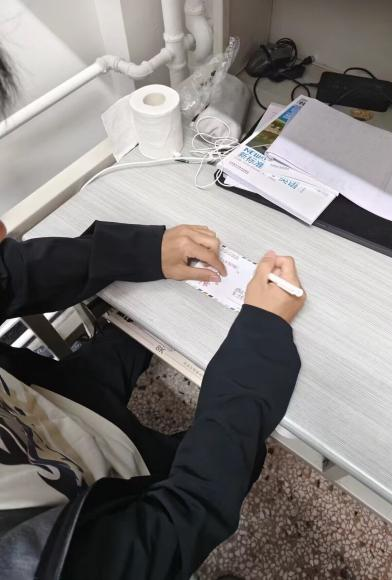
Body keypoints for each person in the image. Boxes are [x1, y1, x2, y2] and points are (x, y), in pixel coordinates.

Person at [0, 46, 305, 580]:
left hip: (45, 405)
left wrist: (144, 251)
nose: (4, 230)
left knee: (136, 324)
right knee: (236, 446)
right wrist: (261, 339)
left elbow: (12, 274)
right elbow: (180, 521)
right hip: (105, 496)